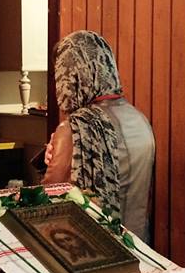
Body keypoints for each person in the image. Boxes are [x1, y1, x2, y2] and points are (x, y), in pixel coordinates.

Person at [42, 30, 155, 241]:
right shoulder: (141, 120)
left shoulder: (75, 129)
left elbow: (48, 199)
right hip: (140, 244)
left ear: (71, 76)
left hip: (93, 248)